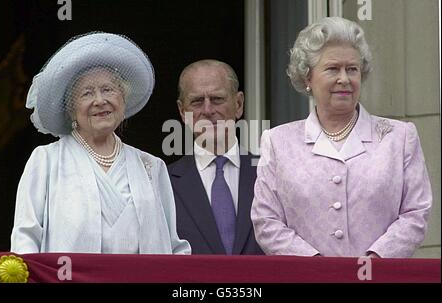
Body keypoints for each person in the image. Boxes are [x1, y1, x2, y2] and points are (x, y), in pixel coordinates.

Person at [251, 17, 432, 258]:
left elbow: (415, 212)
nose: (344, 79)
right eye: (332, 69)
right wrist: (316, 266)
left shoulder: (399, 137)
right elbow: (266, 220)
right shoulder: (277, 142)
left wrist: (374, 260)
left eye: (352, 69)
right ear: (307, 78)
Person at [10, 32, 191, 254]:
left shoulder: (151, 166)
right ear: (71, 109)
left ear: (123, 100)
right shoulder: (47, 161)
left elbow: (173, 246)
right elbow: (25, 237)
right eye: (86, 93)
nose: (99, 100)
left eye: (108, 90)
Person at [168, 59, 263, 255]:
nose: (208, 110)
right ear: (182, 111)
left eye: (217, 99)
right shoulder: (163, 182)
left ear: (238, 104)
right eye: (196, 102)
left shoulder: (268, 172)